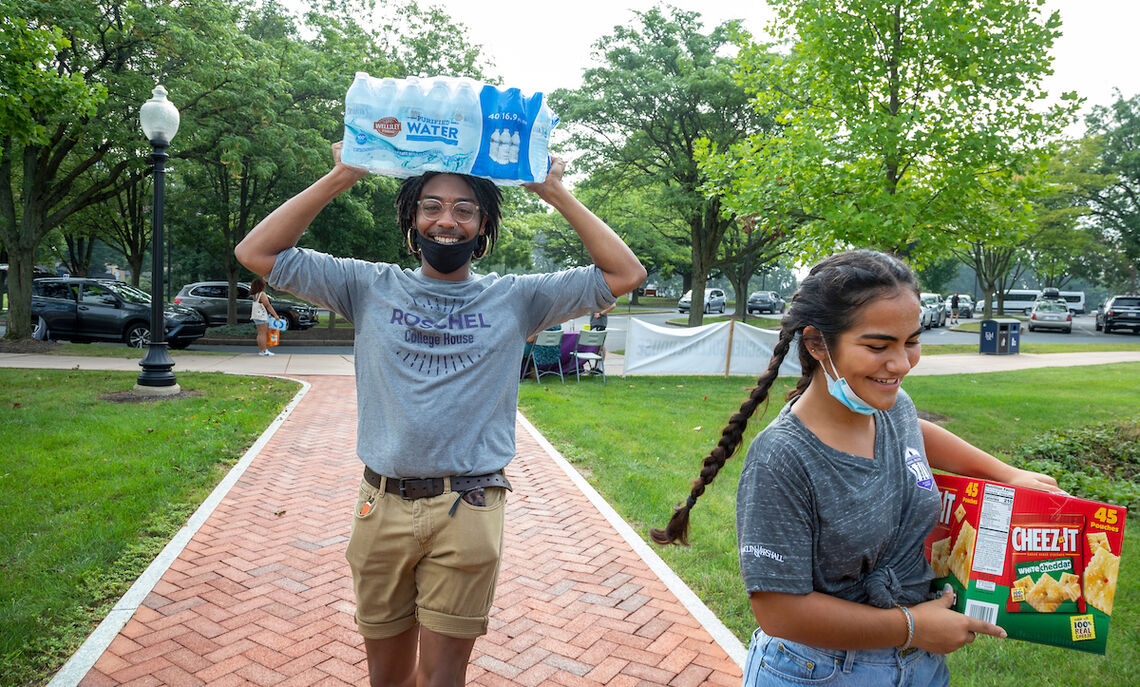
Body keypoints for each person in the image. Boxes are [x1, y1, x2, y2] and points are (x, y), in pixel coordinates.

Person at [235, 142, 645, 687]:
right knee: (386, 678)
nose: (446, 220)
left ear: (483, 225)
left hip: (468, 505)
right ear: (412, 218)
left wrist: (553, 192)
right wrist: (344, 174)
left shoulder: (518, 298)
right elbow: (256, 253)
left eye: (463, 209)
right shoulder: (367, 285)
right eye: (431, 206)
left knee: (442, 680)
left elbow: (625, 272)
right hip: (379, 505)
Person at [650, 250, 1061, 687]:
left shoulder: (890, 406)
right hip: (818, 672)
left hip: (920, 667)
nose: (902, 364)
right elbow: (778, 611)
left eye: (912, 341)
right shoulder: (783, 458)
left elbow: (914, 430)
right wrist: (912, 627)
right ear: (816, 344)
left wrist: (1005, 473)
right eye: (878, 346)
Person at [248, 277, 280, 356]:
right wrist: (275, 315)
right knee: (263, 333)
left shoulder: (255, 295)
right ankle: (264, 351)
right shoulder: (262, 294)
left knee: (260, 333)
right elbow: (268, 306)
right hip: (262, 316)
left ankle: (262, 350)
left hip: (256, 316)